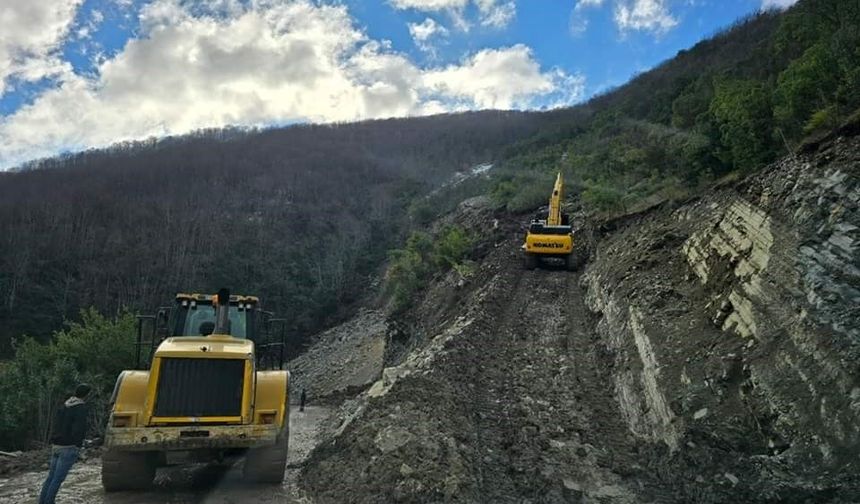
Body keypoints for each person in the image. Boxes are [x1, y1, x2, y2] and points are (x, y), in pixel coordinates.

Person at [39, 383, 91, 504]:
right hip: (69, 447)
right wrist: (79, 445)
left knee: (51, 477)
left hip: (56, 445)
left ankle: (42, 501)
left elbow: (56, 424)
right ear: (87, 395)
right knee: (58, 479)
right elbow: (79, 429)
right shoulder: (81, 408)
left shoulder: (64, 406)